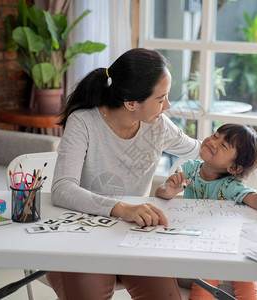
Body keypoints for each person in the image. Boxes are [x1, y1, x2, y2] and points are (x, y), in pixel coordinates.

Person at [47, 48, 201, 300]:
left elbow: (197, 150)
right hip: (84, 235)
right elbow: (63, 189)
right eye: (161, 99)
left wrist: (237, 147)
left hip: (135, 234)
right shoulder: (83, 122)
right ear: (131, 103)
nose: (168, 105)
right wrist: (123, 208)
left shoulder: (158, 125)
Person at [155, 123, 257, 300]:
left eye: (223, 145)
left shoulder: (229, 186)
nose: (212, 141)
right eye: (215, 135)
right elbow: (160, 194)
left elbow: (256, 198)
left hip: (227, 247)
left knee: (243, 272)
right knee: (207, 271)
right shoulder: (189, 169)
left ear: (234, 168)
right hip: (196, 245)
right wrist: (169, 191)